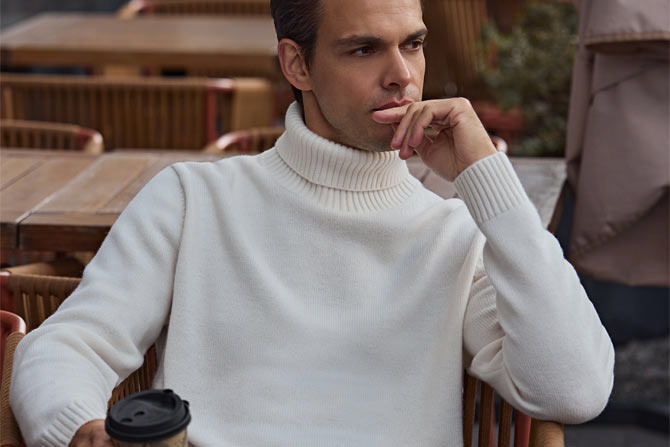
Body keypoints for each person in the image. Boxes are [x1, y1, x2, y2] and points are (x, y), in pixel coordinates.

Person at [11, 0, 615, 445]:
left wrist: (487, 180)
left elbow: (574, 389)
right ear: (296, 65)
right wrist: (79, 430)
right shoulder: (193, 200)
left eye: (413, 44)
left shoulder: (454, 235)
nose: (402, 75)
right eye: (364, 49)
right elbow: (66, 345)